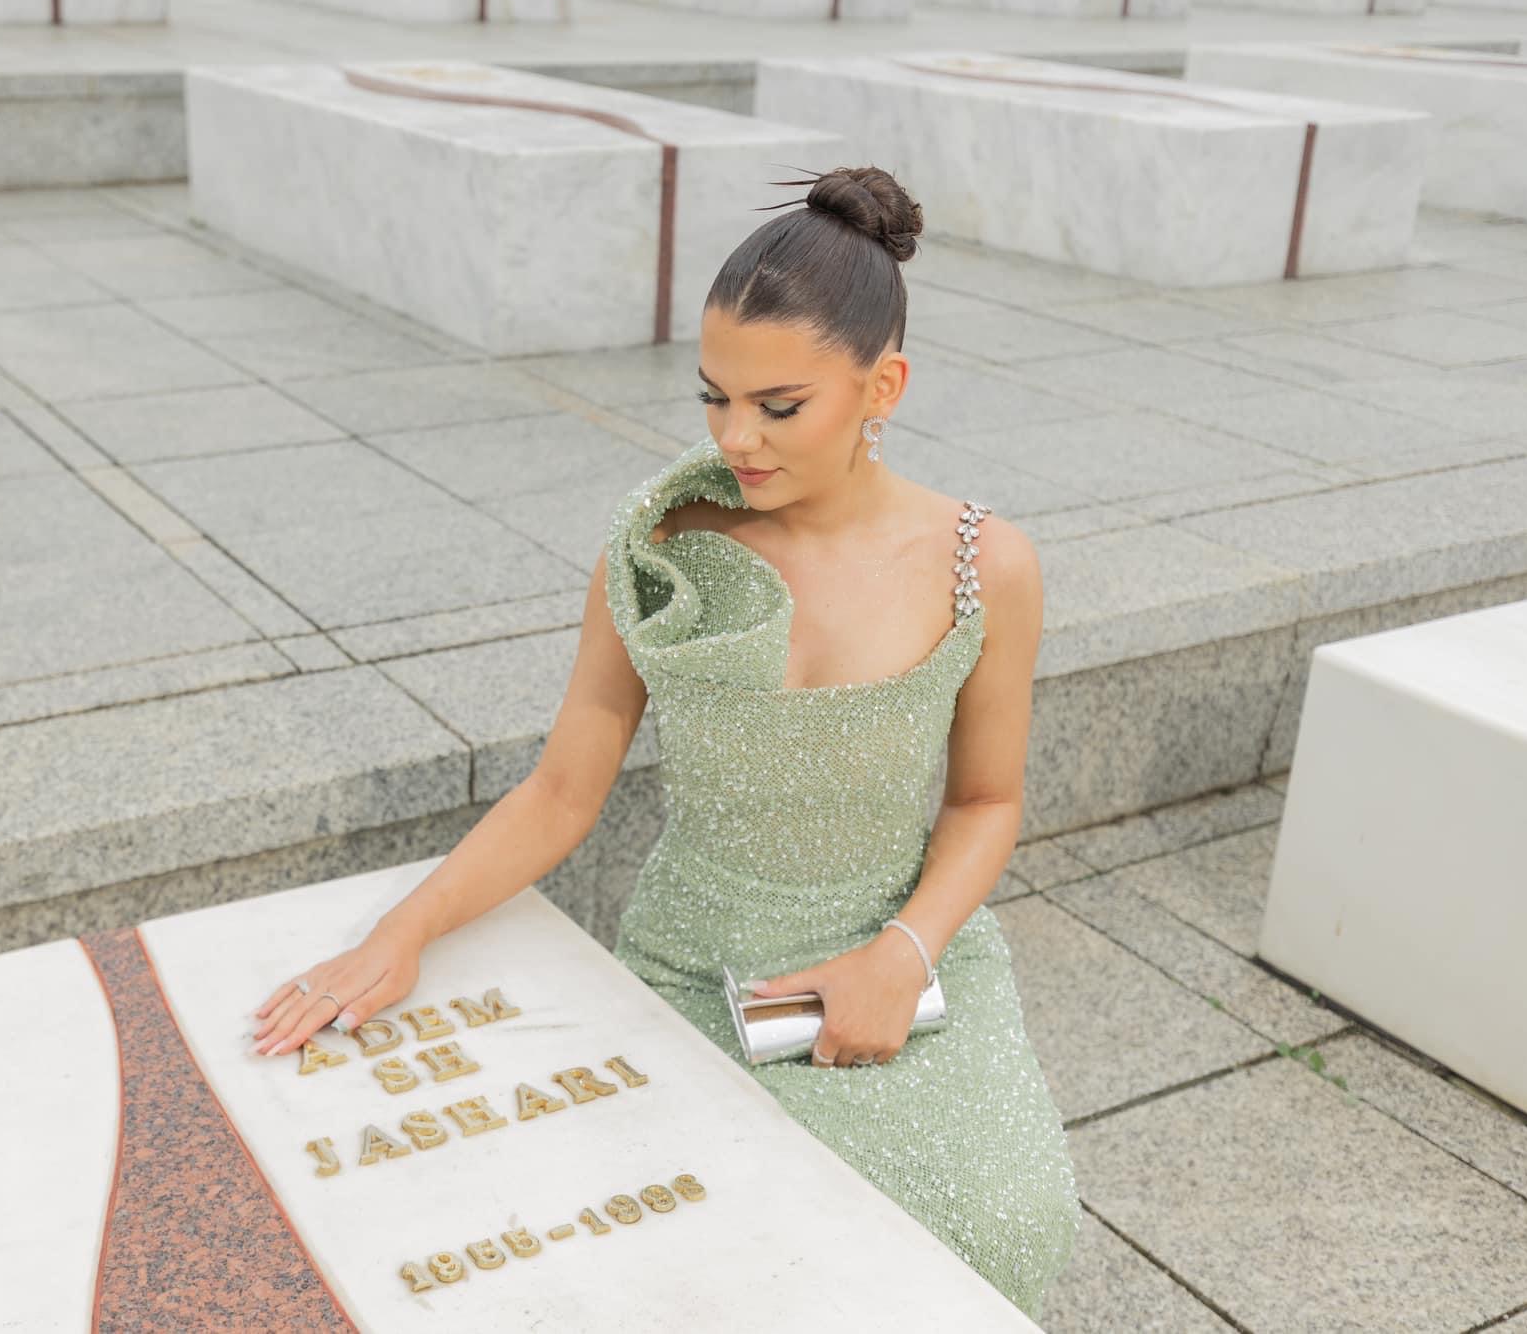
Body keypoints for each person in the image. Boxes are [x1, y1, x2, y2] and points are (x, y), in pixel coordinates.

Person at [246, 163, 1080, 1320]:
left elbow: (985, 800)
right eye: (712, 397)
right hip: (699, 965)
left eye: (777, 406)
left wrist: (900, 955)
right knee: (706, 1250)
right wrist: (404, 929)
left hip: (905, 951)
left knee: (1002, 1221)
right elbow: (561, 788)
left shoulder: (983, 563)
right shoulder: (660, 544)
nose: (734, 437)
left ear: (881, 386)